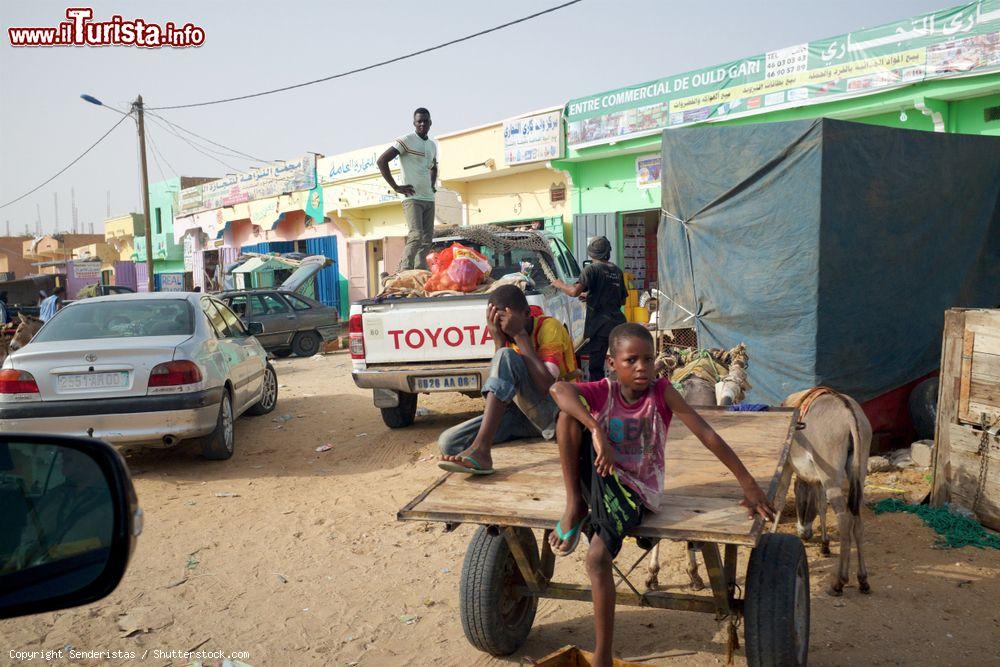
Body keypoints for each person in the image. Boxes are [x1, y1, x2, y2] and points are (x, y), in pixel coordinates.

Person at [548, 323, 775, 667]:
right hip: (603, 477)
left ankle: (603, 657)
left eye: (649, 359)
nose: (642, 367)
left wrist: (748, 483)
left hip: (636, 490)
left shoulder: (662, 392)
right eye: (632, 360)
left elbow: (707, 434)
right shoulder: (604, 391)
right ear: (611, 362)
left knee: (595, 559)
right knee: (567, 416)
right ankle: (574, 505)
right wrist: (596, 429)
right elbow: (559, 388)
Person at [438, 285, 576, 474]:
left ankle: (482, 450)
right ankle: (480, 447)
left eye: (506, 320)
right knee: (449, 442)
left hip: (557, 414)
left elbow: (547, 386)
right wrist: (499, 342)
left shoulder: (549, 327)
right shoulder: (505, 336)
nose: (504, 327)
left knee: (506, 355)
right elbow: (494, 397)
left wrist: (519, 335)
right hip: (524, 417)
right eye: (497, 322)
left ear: (527, 314)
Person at [551, 236, 627, 381]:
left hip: (600, 327)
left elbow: (574, 292)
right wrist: (591, 296)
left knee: (596, 367)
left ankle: (598, 397)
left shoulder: (591, 269)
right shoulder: (617, 270)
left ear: (591, 253)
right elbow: (621, 300)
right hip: (618, 324)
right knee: (620, 363)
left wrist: (559, 284)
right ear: (608, 252)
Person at [377, 108, 438, 271]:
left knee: (427, 240)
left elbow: (434, 166)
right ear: (414, 123)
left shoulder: (432, 145)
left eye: (425, 121)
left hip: (429, 198)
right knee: (416, 235)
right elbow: (382, 161)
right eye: (419, 121)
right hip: (412, 198)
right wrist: (396, 187)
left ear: (430, 122)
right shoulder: (406, 140)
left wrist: (432, 185)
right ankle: (403, 269)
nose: (423, 124)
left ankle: (419, 270)